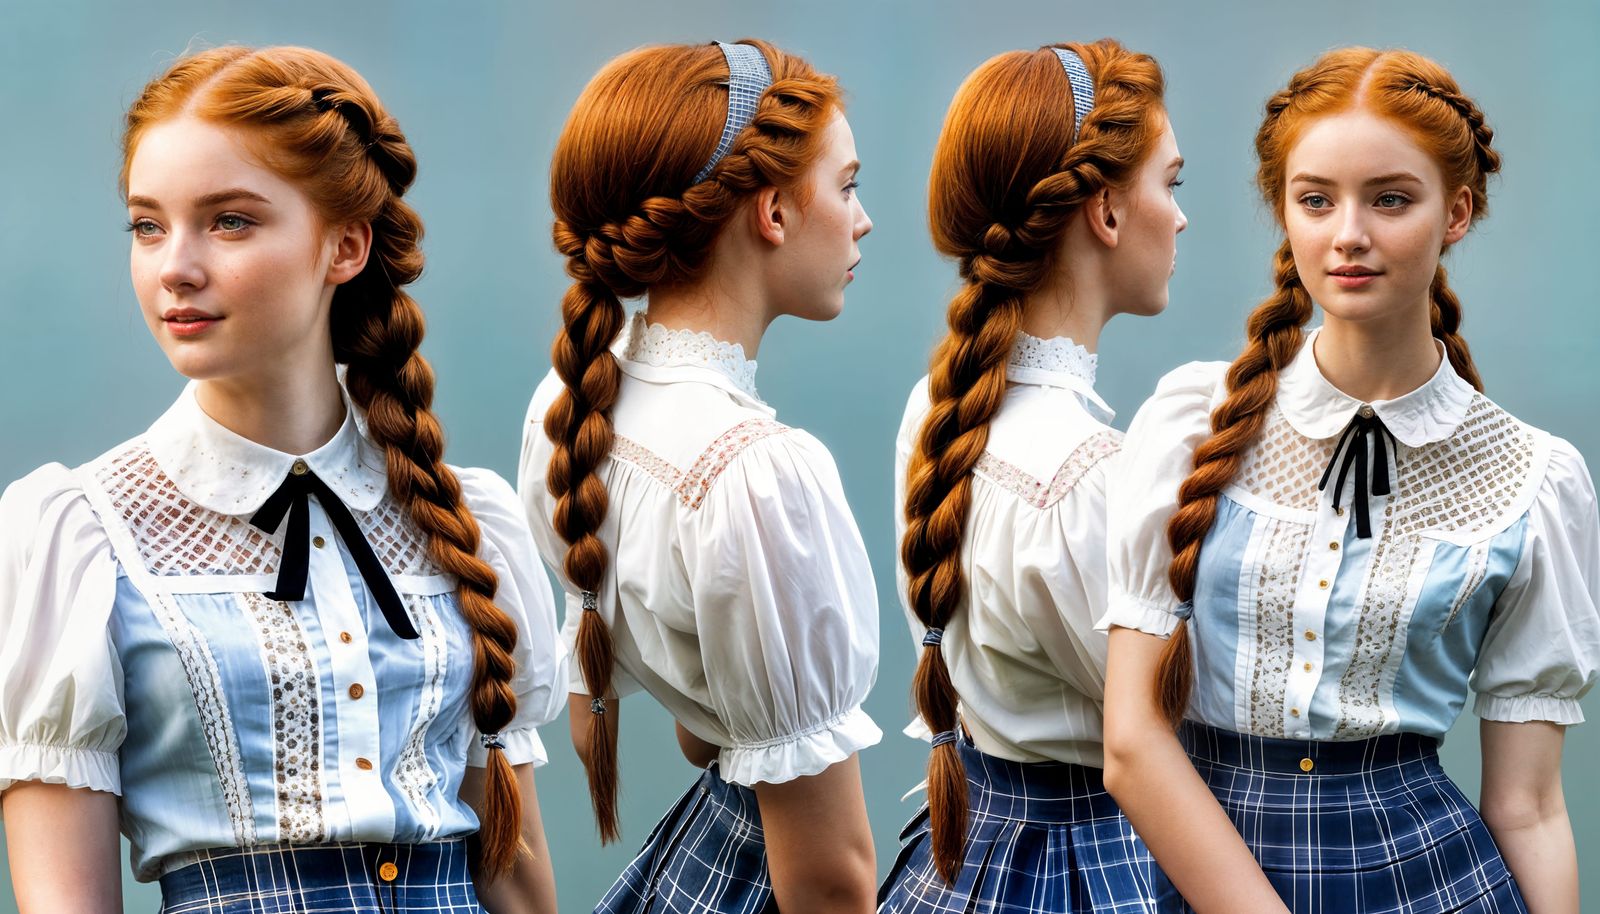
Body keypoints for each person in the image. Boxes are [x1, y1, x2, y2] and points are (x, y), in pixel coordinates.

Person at [0, 45, 566, 914]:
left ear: (345, 245)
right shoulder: (79, 536)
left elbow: (515, 880)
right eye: (148, 226)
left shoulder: (463, 519)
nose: (175, 267)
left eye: (229, 221)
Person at [1101, 46, 1598, 913]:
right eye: (1316, 200)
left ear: (1457, 213)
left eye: (1391, 199)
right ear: (1284, 211)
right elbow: (1132, 743)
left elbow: (1529, 807)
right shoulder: (1191, 421)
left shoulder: (1532, 478)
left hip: (1430, 880)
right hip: (1200, 870)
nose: (1349, 235)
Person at [518, 39, 880, 913]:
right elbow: (832, 878)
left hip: (694, 862)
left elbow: (702, 731)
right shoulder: (754, 474)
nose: (863, 219)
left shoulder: (573, 400)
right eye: (846, 186)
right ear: (773, 214)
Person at [878, 39, 1184, 913]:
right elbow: (1180, 729)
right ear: (1105, 212)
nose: (1180, 218)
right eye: (1172, 183)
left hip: (969, 849)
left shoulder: (942, 405)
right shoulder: (1086, 475)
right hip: (1085, 866)